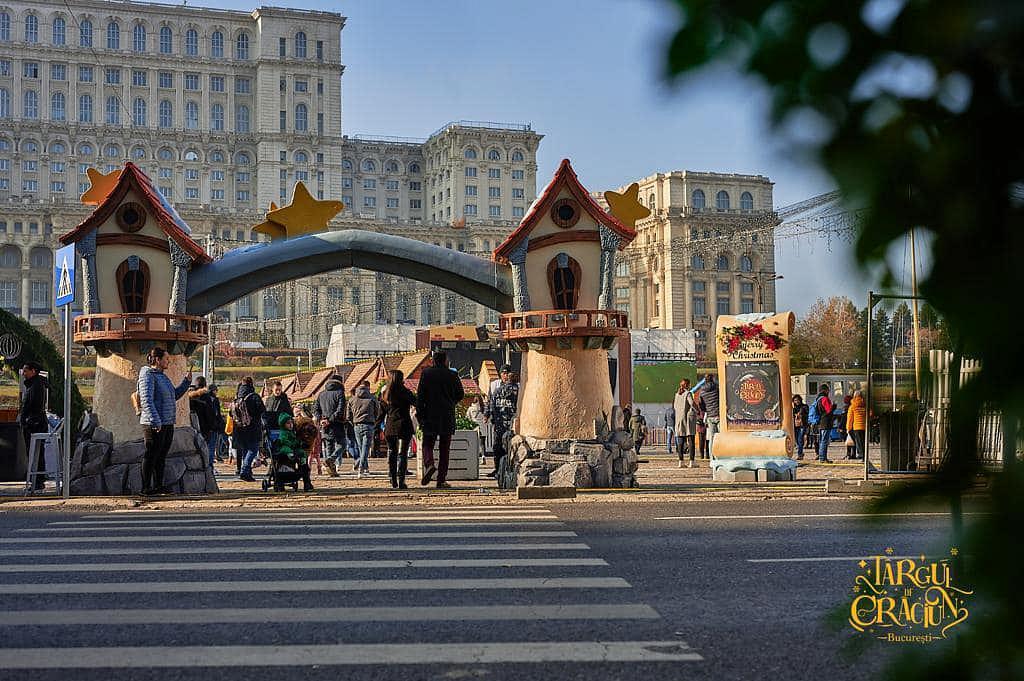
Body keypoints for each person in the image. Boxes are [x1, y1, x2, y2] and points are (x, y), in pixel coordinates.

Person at [137, 347, 191, 495]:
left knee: (161, 456)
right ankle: (146, 488)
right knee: (151, 454)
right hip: (154, 423)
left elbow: (174, 395)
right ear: (157, 359)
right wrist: (155, 421)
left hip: (167, 422)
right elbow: (146, 400)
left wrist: (186, 382)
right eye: (166, 358)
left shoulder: (163, 377)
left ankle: (158, 486)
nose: (169, 361)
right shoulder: (147, 376)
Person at [415, 351, 465, 488]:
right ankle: (441, 480)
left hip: (430, 414)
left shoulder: (426, 374)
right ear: (445, 361)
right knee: (444, 449)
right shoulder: (452, 375)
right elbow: (460, 394)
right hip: (447, 415)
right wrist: (451, 402)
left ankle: (429, 464)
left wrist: (420, 414)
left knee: (427, 444)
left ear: (433, 361)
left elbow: (420, 396)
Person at [381, 369, 416, 489]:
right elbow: (417, 404)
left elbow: (381, 413)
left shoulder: (386, 394)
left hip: (390, 426)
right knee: (403, 454)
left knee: (392, 452)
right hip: (404, 425)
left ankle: (393, 479)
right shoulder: (406, 392)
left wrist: (377, 427)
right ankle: (401, 480)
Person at [18, 362, 49, 490]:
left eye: (26, 371)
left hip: (35, 424)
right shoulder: (36, 384)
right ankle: (37, 480)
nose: (24, 374)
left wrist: (26, 420)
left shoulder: (36, 385)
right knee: (37, 452)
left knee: (35, 452)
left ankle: (37, 480)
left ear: (33, 371)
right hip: (36, 422)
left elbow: (31, 405)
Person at [486, 364, 519, 479]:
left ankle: (505, 470)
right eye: (504, 373)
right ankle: (498, 470)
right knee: (498, 446)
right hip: (500, 422)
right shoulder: (495, 386)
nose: (505, 375)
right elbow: (490, 402)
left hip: (510, 423)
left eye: (507, 373)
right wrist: (487, 415)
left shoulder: (517, 389)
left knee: (508, 447)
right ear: (500, 374)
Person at [234, 376, 267, 482]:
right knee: (253, 449)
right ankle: (244, 471)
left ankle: (247, 473)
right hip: (253, 428)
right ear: (251, 384)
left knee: (245, 450)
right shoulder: (254, 396)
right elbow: (262, 410)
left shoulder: (237, 397)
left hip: (240, 428)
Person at [312, 376, 347, 477]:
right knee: (342, 444)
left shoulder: (321, 394)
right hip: (337, 424)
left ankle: (331, 470)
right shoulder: (340, 393)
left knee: (329, 446)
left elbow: (315, 409)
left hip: (325, 425)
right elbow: (340, 410)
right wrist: (330, 420)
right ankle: (331, 459)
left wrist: (321, 419)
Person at [347, 381, 380, 478]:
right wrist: (373, 420)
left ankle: (365, 467)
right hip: (369, 424)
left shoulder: (352, 399)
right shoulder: (372, 398)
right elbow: (377, 412)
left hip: (357, 425)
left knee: (361, 448)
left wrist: (353, 422)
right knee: (365, 448)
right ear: (368, 387)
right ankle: (361, 467)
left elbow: (348, 415)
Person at [273, 413, 313, 491]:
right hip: (285, 449)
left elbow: (296, 441)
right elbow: (285, 441)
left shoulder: (292, 432)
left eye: (291, 423)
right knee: (286, 451)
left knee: (302, 456)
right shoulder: (283, 433)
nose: (291, 425)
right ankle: (280, 482)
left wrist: (300, 444)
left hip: (294, 449)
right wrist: (295, 444)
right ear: (283, 425)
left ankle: (307, 482)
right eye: (288, 423)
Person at [187, 376, 218, 469]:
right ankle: (208, 468)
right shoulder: (206, 397)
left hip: (192, 428)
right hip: (206, 428)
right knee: (207, 450)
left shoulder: (189, 396)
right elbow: (210, 414)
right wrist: (213, 426)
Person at [673, 379, 698, 468]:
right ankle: (692, 461)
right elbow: (691, 403)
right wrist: (697, 410)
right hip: (687, 420)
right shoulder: (688, 393)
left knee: (680, 441)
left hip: (679, 419)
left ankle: (681, 461)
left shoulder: (677, 395)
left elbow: (675, 407)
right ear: (688, 385)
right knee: (691, 440)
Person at [809, 383, 835, 463]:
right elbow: (828, 410)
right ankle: (823, 458)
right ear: (826, 390)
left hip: (820, 422)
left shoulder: (818, 399)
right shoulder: (825, 399)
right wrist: (834, 407)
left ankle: (821, 457)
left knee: (821, 440)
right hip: (825, 422)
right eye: (828, 390)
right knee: (824, 441)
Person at [698, 374, 720, 454]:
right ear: (712, 379)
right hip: (719, 414)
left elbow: (701, 405)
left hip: (710, 416)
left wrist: (706, 410)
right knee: (720, 437)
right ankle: (720, 455)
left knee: (712, 438)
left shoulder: (702, 391)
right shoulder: (717, 388)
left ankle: (711, 456)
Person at [846, 390, 867, 460]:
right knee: (863, 442)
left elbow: (850, 419)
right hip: (864, 426)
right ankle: (864, 455)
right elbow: (870, 414)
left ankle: (862, 455)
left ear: (854, 396)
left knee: (858, 442)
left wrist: (848, 428)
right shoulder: (865, 405)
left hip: (856, 427)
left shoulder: (852, 406)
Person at [207, 384, 226, 463]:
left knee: (207, 447)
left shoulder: (204, 398)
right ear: (213, 391)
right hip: (213, 426)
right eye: (216, 390)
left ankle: (207, 464)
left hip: (205, 427)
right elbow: (216, 413)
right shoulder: (214, 400)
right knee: (212, 447)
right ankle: (210, 465)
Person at [792, 394, 809, 460]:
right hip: (795, 425)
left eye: (798, 400)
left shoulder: (804, 406)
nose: (797, 401)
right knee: (797, 440)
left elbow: (807, 413)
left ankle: (800, 454)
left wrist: (801, 413)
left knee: (800, 439)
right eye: (795, 400)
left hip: (802, 425)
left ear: (800, 400)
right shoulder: (794, 408)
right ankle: (801, 452)